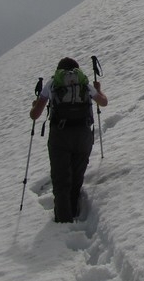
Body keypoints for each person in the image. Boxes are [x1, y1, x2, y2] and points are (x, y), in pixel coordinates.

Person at [30, 57, 108, 223]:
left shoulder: (52, 84)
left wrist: (34, 105)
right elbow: (103, 102)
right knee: (76, 177)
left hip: (60, 135)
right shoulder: (84, 83)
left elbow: (35, 115)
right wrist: (99, 90)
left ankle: (63, 221)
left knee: (61, 180)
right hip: (83, 134)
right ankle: (74, 211)